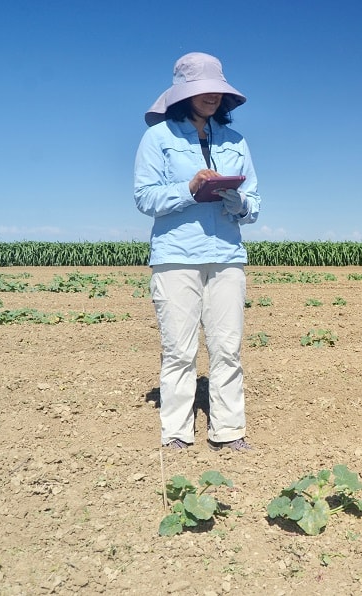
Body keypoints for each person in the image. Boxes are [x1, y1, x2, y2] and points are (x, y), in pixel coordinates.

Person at [134, 52, 261, 452]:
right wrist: (189, 189)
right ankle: (176, 432)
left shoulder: (236, 142)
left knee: (227, 347)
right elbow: (144, 197)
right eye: (201, 89)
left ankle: (228, 431)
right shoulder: (158, 139)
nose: (210, 97)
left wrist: (236, 201)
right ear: (182, 94)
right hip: (175, 256)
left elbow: (254, 203)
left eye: (216, 90)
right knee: (179, 349)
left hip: (227, 255)